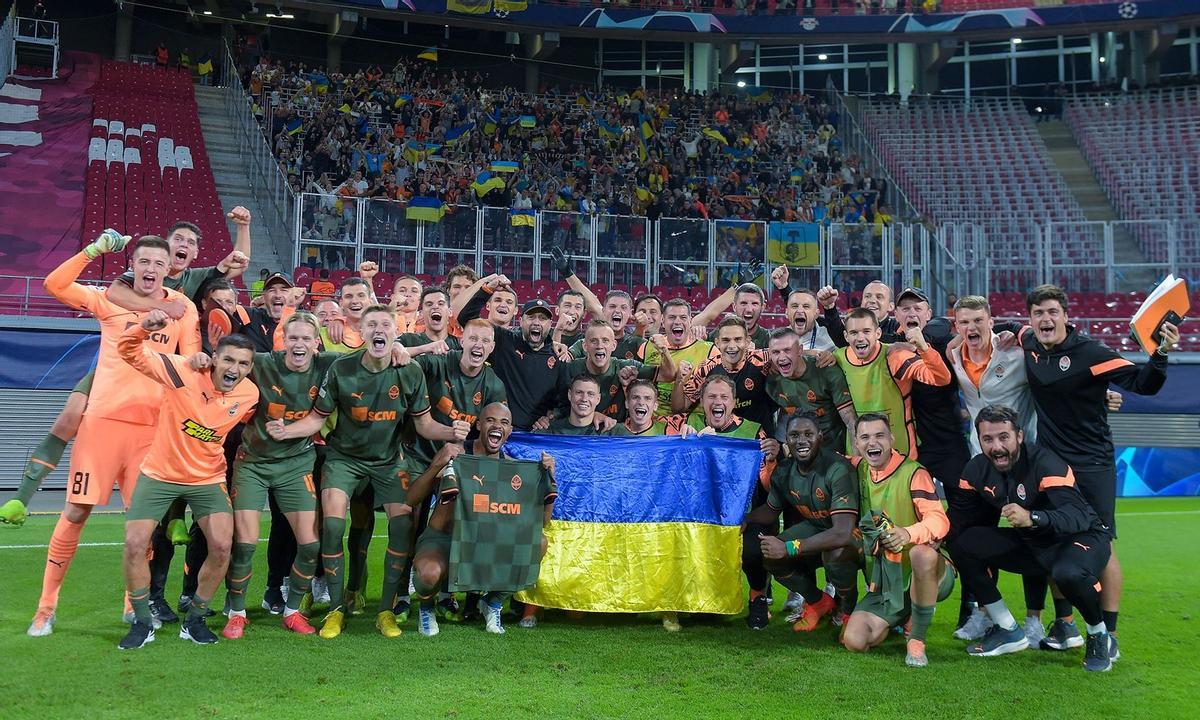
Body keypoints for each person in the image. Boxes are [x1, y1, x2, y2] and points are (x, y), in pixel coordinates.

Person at [27, 233, 200, 638]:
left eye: (159, 263)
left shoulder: (183, 307)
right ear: (132, 265)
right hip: (102, 425)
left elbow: (190, 362)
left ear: (169, 268)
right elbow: (54, 285)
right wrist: (94, 250)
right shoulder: (109, 299)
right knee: (76, 512)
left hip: (151, 431)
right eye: (144, 262)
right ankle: (46, 608)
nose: (151, 269)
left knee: (143, 523)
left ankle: (131, 604)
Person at [265, 305, 469, 639]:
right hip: (342, 459)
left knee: (402, 526)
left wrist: (451, 431)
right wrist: (285, 431)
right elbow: (317, 419)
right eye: (371, 324)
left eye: (385, 324)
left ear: (394, 333)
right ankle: (336, 609)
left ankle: (386, 610)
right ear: (361, 332)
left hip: (389, 462)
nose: (378, 330)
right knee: (332, 526)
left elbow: (425, 424)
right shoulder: (342, 368)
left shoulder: (410, 371)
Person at [1020, 284, 1177, 659]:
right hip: (1051, 465)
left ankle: (1111, 633)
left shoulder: (1091, 353)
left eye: (1053, 312)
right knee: (1053, 538)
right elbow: (1009, 327)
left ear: (1066, 316)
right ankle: (1065, 624)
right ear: (1031, 319)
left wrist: (1162, 352)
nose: (1045, 319)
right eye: (1039, 313)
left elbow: (1144, 385)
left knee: (1102, 546)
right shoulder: (1028, 342)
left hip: (1092, 464)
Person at [115, 313, 258, 649]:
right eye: (228, 360)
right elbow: (128, 351)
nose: (234, 368)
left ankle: (194, 619)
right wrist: (143, 328)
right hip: (159, 474)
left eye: (243, 363)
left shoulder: (249, 394)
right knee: (135, 544)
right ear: (214, 358)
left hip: (207, 478)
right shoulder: (182, 370)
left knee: (222, 547)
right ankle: (142, 621)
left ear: (250, 368)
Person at [948, 405, 1115, 671]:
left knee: (1068, 573)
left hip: (1081, 538)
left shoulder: (1045, 463)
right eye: (987, 439)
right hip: (1035, 544)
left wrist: (1033, 517)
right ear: (979, 440)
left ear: (1019, 436)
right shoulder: (976, 469)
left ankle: (1099, 635)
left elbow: (1078, 516)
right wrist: (930, 540)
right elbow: (958, 518)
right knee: (961, 543)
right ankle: (1007, 628)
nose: (996, 446)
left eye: (1004, 437)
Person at [217, 311, 339, 639]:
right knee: (244, 544)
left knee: (310, 545)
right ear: (283, 340)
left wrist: (401, 349)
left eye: (306, 338)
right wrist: (201, 358)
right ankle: (237, 612)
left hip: (296, 465)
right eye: (293, 337)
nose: (299, 344)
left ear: (316, 343)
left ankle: (292, 610)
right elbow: (226, 362)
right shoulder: (261, 363)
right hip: (253, 465)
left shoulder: (329, 364)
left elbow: (370, 357)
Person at [407, 403, 556, 637]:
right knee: (428, 574)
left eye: (504, 423)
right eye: (490, 420)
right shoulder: (457, 455)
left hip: (487, 541)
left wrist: (550, 478)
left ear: (509, 431)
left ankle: (492, 602)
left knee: (539, 542)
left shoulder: (512, 469)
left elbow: (543, 523)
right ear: (479, 425)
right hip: (445, 539)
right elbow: (411, 498)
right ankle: (427, 608)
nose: (497, 426)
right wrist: (437, 463)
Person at [841, 414, 953, 668]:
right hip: (886, 584)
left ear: (891, 439)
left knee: (922, 554)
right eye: (865, 437)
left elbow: (939, 521)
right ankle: (902, 615)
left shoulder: (913, 472)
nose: (872, 442)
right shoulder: (858, 468)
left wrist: (908, 533)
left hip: (928, 574)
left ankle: (916, 640)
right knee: (855, 641)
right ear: (856, 444)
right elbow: (823, 457)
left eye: (879, 435)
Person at [743, 413, 859, 631]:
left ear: (820, 437)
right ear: (786, 440)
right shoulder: (784, 470)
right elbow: (770, 510)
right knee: (769, 553)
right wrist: (744, 520)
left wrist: (789, 547)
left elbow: (842, 533)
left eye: (808, 434)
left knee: (835, 554)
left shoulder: (837, 468)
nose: (801, 440)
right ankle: (818, 602)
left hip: (853, 536)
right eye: (794, 435)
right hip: (817, 529)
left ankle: (847, 612)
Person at [835, 307, 951, 459]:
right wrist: (818, 354)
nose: (860, 338)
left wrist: (924, 348)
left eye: (866, 331)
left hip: (899, 452)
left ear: (878, 333)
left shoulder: (896, 356)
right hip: (859, 454)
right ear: (846, 336)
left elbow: (941, 378)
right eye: (854, 333)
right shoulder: (838, 358)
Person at [457, 280, 569, 430]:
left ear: (550, 324)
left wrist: (551, 417)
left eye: (542, 318)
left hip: (534, 435)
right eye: (531, 317)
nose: (536, 322)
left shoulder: (558, 356)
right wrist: (487, 290)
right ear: (521, 321)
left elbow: (565, 401)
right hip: (497, 432)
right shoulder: (504, 340)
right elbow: (466, 319)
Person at [551, 320, 674, 424]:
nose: (600, 346)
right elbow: (558, 408)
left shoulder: (627, 367)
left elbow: (668, 375)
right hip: (581, 434)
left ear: (614, 345)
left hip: (615, 436)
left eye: (605, 340)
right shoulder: (571, 369)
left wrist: (664, 351)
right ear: (585, 346)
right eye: (594, 341)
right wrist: (593, 415)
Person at [675, 316, 773, 431]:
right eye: (726, 340)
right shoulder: (706, 368)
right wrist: (679, 380)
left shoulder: (763, 360)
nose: (732, 346)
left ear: (747, 341)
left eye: (738, 339)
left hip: (758, 437)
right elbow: (679, 408)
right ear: (717, 342)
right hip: (720, 438)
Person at [765, 328, 856, 451]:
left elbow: (851, 422)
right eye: (776, 352)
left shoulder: (826, 370)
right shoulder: (770, 379)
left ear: (800, 350)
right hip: (799, 453)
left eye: (787, 350)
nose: (781, 357)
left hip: (833, 450)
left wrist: (856, 459)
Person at [638, 299, 718, 416]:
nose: (677, 322)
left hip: (691, 420)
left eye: (683, 317)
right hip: (652, 419)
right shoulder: (647, 347)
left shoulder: (710, 351)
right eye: (672, 317)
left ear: (690, 321)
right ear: (663, 321)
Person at [399, 286, 462, 355]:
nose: (435, 306)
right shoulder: (407, 339)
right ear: (421, 313)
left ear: (450, 312)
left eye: (440, 304)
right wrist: (425, 348)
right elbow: (393, 351)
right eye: (429, 304)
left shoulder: (460, 344)